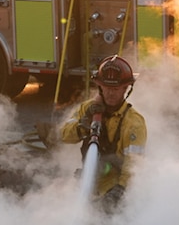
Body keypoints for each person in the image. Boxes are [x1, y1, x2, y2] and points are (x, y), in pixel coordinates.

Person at [59, 55, 147, 207]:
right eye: (107, 88)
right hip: (89, 185)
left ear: (125, 88)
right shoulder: (87, 109)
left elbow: (134, 165)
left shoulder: (134, 123)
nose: (110, 93)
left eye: (115, 89)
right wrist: (82, 126)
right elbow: (64, 135)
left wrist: (120, 190)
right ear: (100, 87)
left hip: (115, 191)